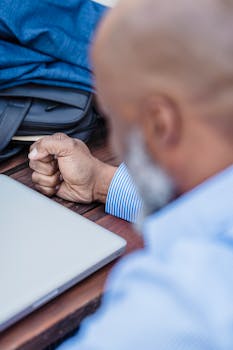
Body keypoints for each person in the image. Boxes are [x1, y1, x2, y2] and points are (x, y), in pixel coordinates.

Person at [29, 0, 233, 348]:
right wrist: (102, 184)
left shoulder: (174, 312)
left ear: (159, 124)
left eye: (116, 121)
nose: (116, 140)